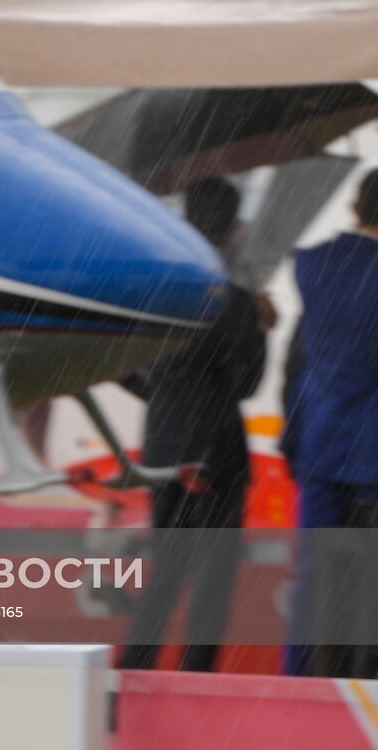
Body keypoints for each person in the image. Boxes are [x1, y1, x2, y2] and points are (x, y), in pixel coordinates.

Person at [282, 167, 378, 677]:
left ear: (354, 208)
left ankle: (301, 681)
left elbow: (309, 352)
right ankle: (371, 686)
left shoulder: (311, 266)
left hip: (323, 442)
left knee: (314, 575)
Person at [118, 177, 267, 673]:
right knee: (211, 583)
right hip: (217, 453)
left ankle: (133, 676)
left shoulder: (157, 293)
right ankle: (194, 683)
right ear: (233, 232)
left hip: (163, 450)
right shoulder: (236, 301)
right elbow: (247, 383)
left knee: (164, 573)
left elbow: (122, 366)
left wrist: (165, 398)